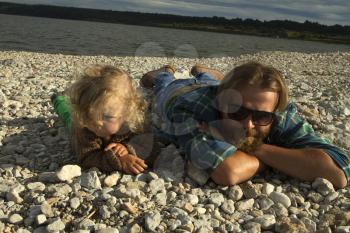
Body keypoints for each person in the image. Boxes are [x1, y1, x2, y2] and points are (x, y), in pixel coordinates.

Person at [141, 62, 349, 188]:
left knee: (211, 82)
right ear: (220, 104)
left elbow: (338, 172)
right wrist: (282, 158)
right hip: (178, 94)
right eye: (236, 112)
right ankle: (165, 71)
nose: (247, 124)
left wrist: (252, 147)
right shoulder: (191, 111)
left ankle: (204, 73)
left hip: (217, 88)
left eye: (260, 117)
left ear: (274, 111)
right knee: (163, 85)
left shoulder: (277, 113)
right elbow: (228, 170)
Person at [52, 65, 158, 175]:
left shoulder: (133, 124)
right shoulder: (84, 125)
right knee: (67, 114)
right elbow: (87, 158)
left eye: (107, 117)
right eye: (89, 114)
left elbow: (153, 148)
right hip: (74, 125)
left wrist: (126, 149)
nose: (96, 121)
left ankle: (60, 99)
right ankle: (57, 99)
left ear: (127, 113)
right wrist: (119, 159)